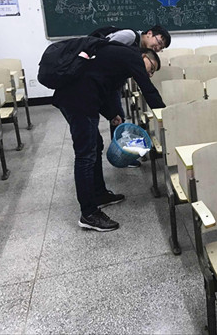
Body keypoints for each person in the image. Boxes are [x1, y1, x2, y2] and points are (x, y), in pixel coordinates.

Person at [53, 44, 165, 232]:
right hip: (77, 99)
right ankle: (88, 214)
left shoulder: (121, 61)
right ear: (144, 57)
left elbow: (104, 85)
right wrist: (165, 115)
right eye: (151, 68)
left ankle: (99, 194)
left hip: (82, 96)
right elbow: (148, 89)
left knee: (95, 145)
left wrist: (111, 113)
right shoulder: (132, 56)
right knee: (85, 155)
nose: (150, 74)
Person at [105, 25, 171, 167]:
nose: (158, 48)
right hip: (102, 81)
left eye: (161, 48)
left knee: (118, 116)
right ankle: (119, 154)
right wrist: (163, 113)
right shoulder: (129, 36)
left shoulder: (142, 52)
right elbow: (105, 51)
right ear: (149, 33)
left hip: (114, 83)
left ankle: (122, 153)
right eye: (159, 42)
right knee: (114, 117)